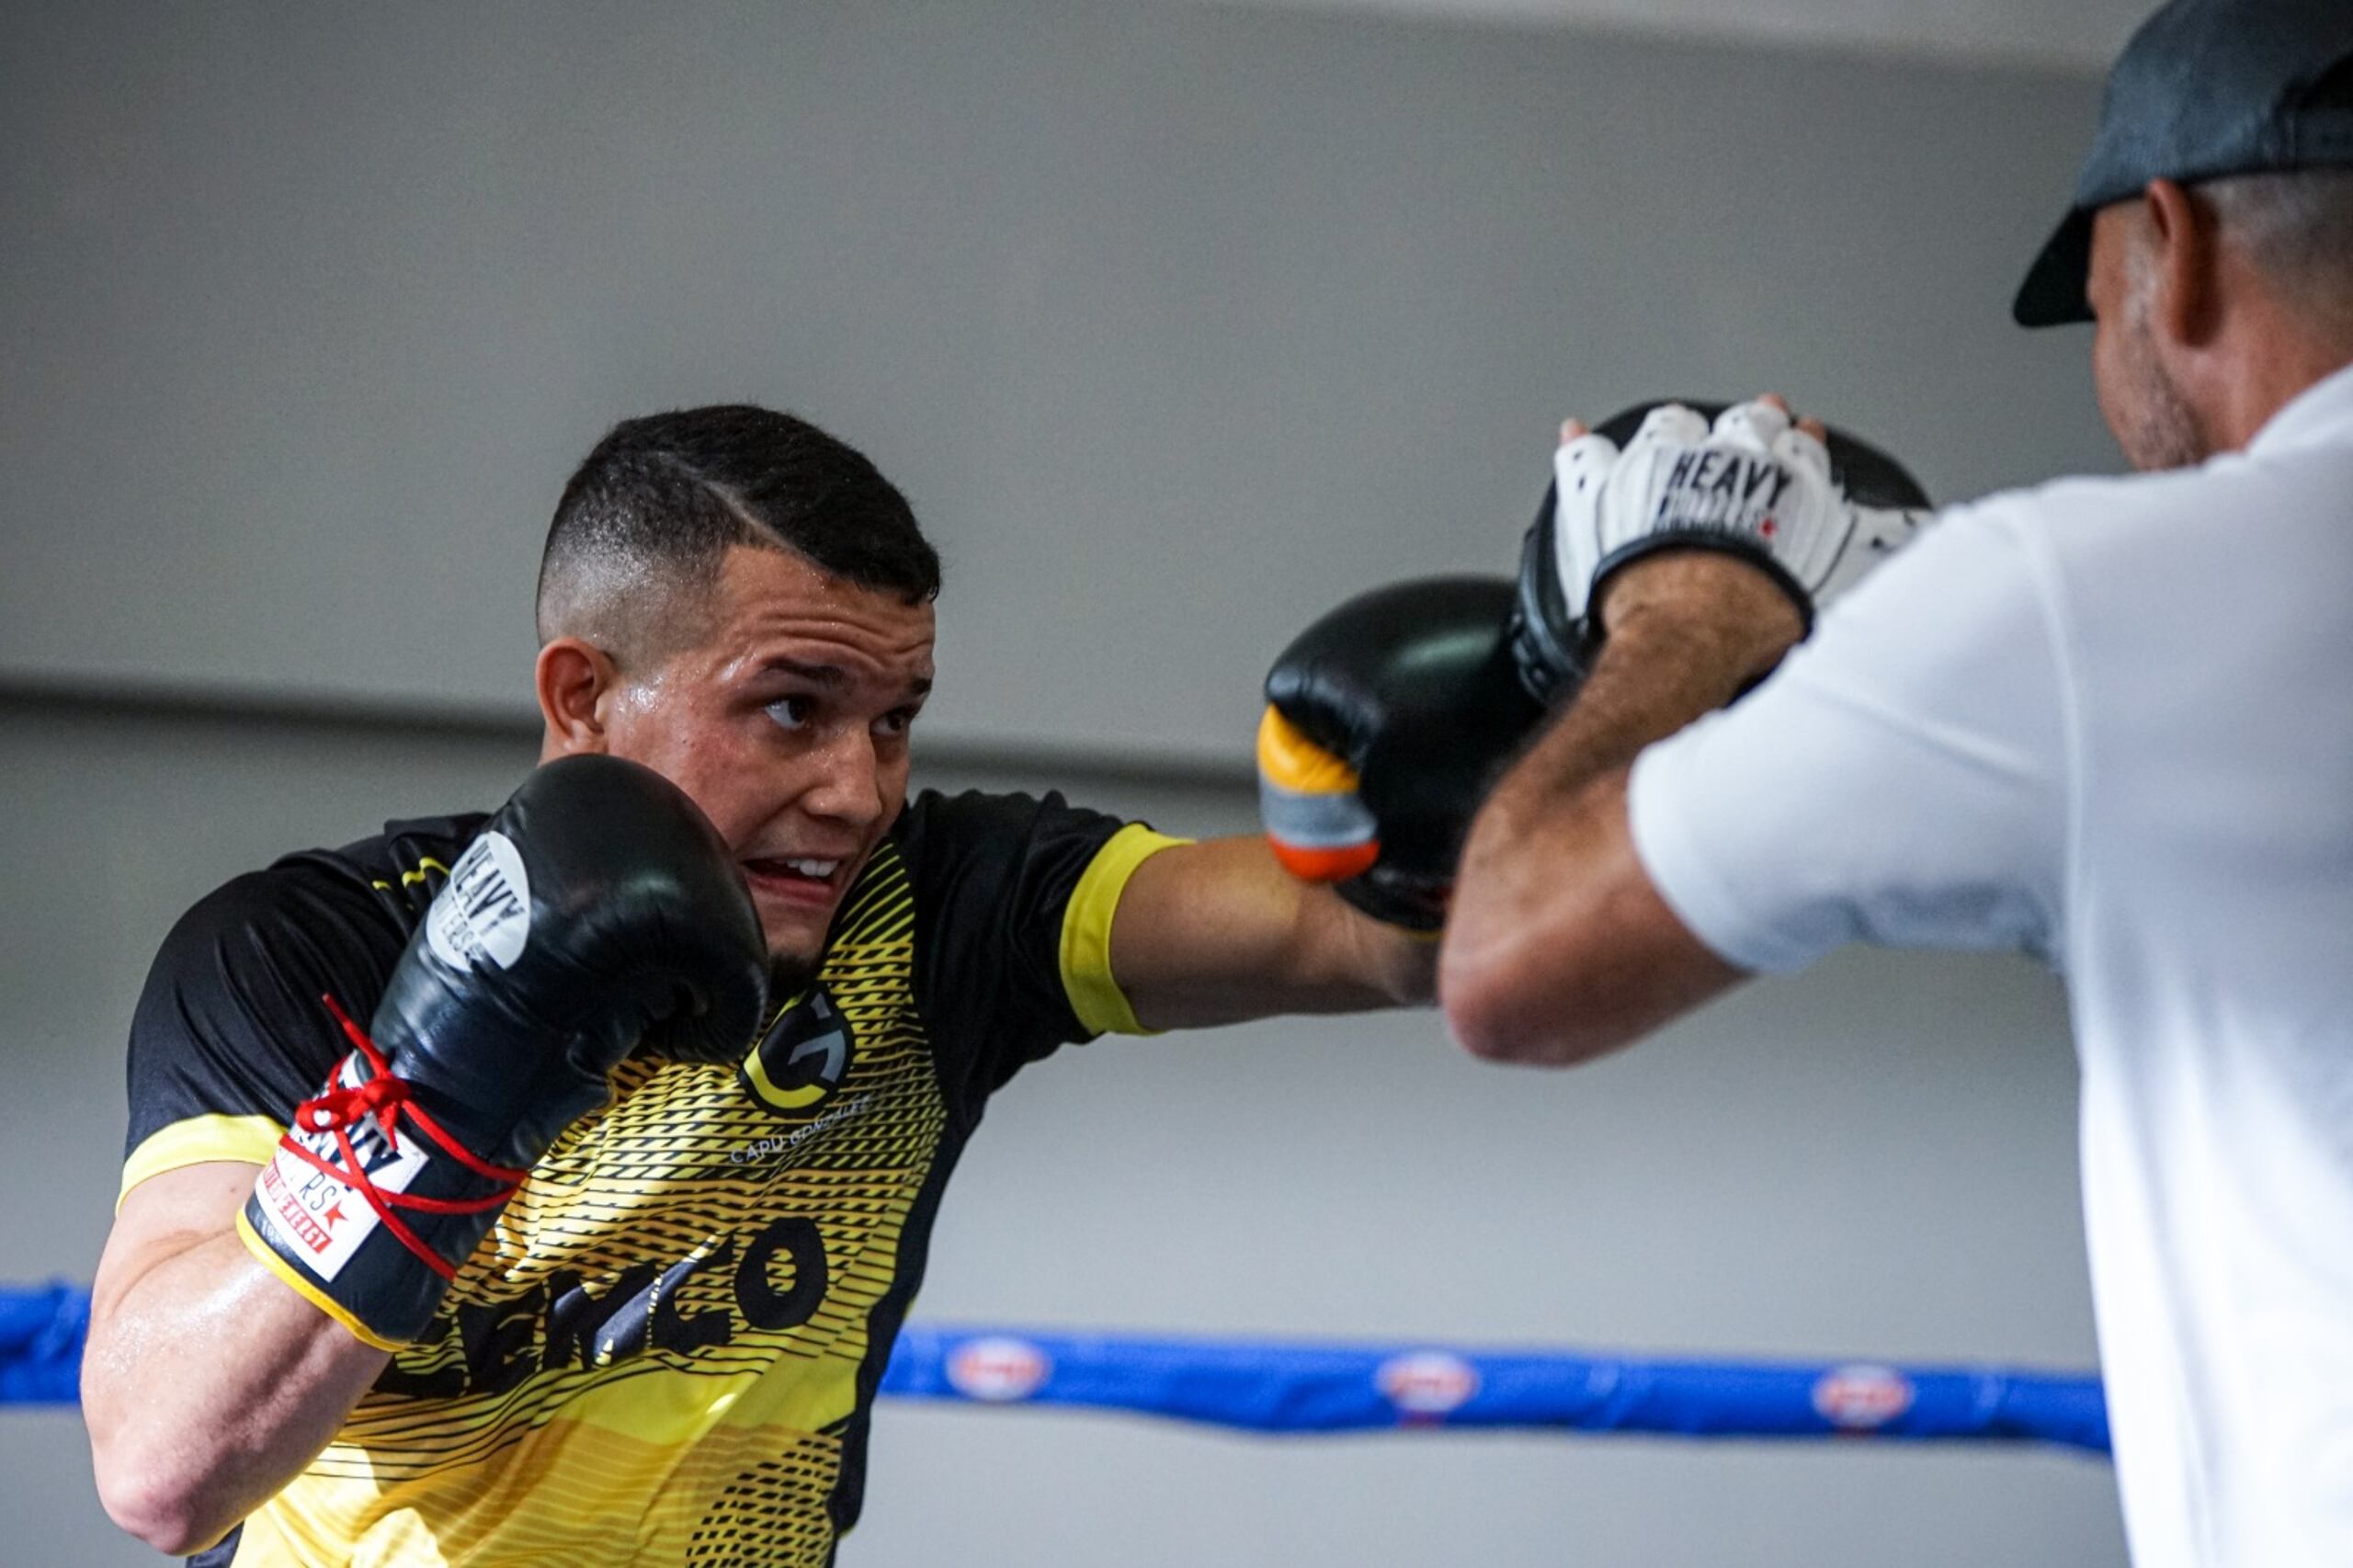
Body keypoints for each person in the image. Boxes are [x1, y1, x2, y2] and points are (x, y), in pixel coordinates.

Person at [81, 403, 1503, 1567]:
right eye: (790, 709)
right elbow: (160, 1471)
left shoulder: (939, 907)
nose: (858, 790)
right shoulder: (304, 950)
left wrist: (1555, 736)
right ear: (581, 698)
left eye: (894, 720)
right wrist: (449, 1081)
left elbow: (1367, 942)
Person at [1437, 2, 2353, 1563]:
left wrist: (1696, 603)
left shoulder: (2086, 601)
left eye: (2098, 304)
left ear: (2172, 248)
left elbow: (1514, 961)